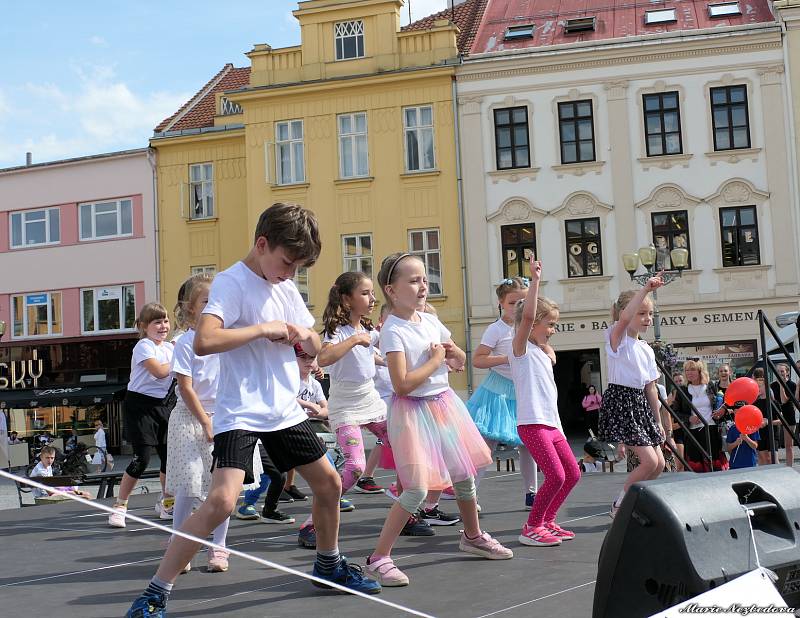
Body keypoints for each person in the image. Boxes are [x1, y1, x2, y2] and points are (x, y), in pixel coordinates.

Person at [125, 203, 378, 618]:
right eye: (286, 263)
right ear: (262, 244)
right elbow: (205, 340)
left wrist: (303, 336)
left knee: (330, 484)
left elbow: (313, 346)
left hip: (283, 409)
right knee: (221, 502)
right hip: (240, 411)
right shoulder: (231, 282)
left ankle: (328, 565)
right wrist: (264, 329)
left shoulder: (285, 287)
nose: (290, 273)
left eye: (298, 267)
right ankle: (155, 592)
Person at [363, 252, 512, 588]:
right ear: (391, 289)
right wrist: (436, 360)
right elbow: (402, 383)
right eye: (413, 281)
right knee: (415, 489)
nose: (422, 287)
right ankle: (378, 558)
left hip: (442, 405)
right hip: (413, 411)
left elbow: (458, 358)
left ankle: (472, 535)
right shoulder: (393, 330)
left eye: (425, 280)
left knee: (463, 475)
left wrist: (452, 354)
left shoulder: (429, 320)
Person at [165, 273, 232, 574]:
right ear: (191, 308)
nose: (213, 307)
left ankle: (218, 546)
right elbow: (186, 386)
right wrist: (205, 422)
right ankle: (181, 544)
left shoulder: (225, 337)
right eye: (206, 301)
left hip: (224, 415)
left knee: (224, 487)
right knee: (190, 486)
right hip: (192, 416)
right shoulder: (185, 343)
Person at [510, 258, 580, 546]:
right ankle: (531, 527)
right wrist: (535, 281)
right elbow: (526, 319)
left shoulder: (540, 351)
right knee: (554, 475)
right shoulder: (520, 348)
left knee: (572, 474)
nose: (552, 329)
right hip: (533, 423)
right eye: (550, 324)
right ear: (534, 322)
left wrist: (548, 348)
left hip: (552, 424)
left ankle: (548, 520)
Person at [466, 276, 538, 510]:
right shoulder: (495, 329)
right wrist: (507, 358)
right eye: (513, 303)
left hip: (522, 391)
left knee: (528, 445)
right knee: (487, 445)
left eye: (523, 302)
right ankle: (471, 494)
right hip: (497, 391)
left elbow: (542, 347)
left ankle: (532, 493)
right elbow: (478, 359)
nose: (518, 307)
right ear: (501, 303)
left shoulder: (529, 326)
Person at [598, 277, 667, 519]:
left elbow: (651, 388)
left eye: (650, 314)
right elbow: (625, 318)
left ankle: (637, 501)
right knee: (648, 462)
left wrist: (657, 421)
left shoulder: (646, 349)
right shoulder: (616, 340)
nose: (648, 319)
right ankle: (620, 503)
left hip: (640, 405)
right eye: (642, 313)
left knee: (659, 464)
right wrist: (646, 289)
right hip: (622, 401)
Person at [317, 272, 388, 501]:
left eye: (373, 293)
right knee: (356, 467)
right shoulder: (338, 331)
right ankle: (322, 511)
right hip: (346, 406)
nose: (372, 299)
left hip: (370, 399)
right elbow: (324, 358)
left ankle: (409, 506)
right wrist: (355, 340)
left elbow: (376, 356)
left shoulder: (368, 330)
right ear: (347, 300)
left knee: (404, 442)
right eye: (365, 294)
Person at [109, 302, 176, 529]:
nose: (163, 326)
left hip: (164, 405)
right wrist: (180, 355)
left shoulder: (170, 348)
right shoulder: (144, 346)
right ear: (144, 326)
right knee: (142, 458)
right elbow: (159, 372)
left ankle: (167, 502)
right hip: (139, 405)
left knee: (170, 458)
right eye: (157, 322)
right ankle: (120, 506)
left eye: (165, 321)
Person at [672, 359, 729, 473]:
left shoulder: (710, 385)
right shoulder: (682, 390)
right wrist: (689, 418)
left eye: (692, 369)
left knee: (714, 466)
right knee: (696, 467)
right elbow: (675, 412)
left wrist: (722, 409)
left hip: (711, 429)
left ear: (700, 371)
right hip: (692, 433)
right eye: (687, 370)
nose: (689, 372)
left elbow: (723, 401)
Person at [771, 363, 798, 467]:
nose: (780, 373)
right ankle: (776, 466)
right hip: (776, 417)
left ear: (787, 373)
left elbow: (784, 400)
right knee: (774, 445)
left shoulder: (792, 385)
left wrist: (782, 385)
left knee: (788, 445)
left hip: (788, 417)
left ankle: (789, 467)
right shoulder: (772, 385)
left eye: (782, 371)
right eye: (777, 371)